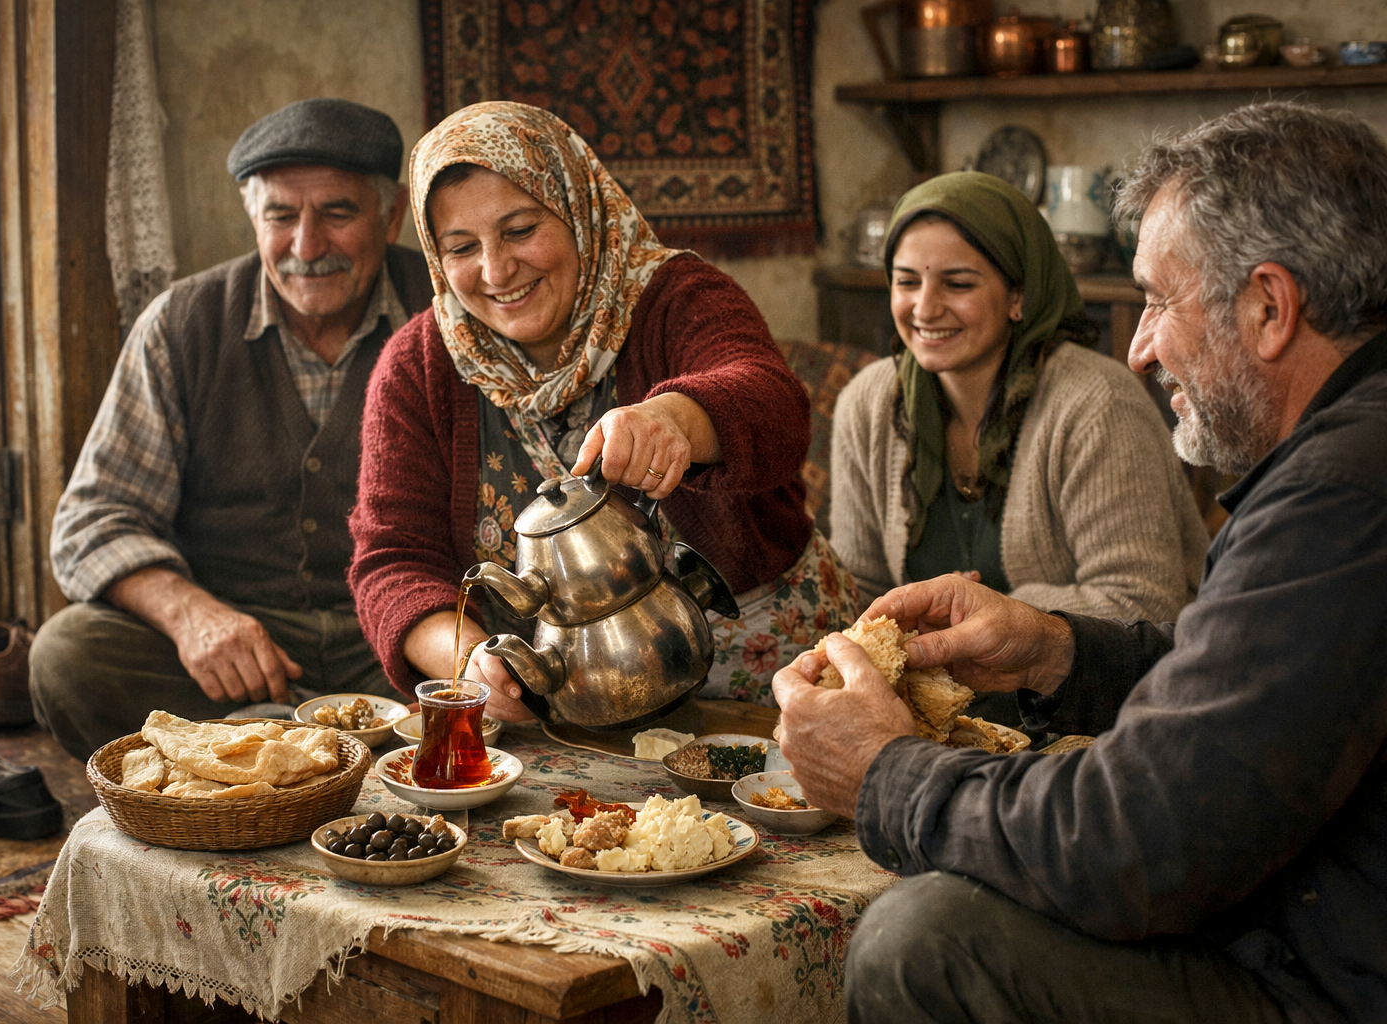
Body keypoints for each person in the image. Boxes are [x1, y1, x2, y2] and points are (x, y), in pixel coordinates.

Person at [774, 101, 1387, 1024]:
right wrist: (1058, 652)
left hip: (1330, 979)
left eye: (1157, 300)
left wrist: (884, 773)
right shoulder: (1345, 452)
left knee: (923, 942)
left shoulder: (1343, 494)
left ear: (1269, 305)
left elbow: (1139, 842)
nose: (1140, 349)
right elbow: (1254, 697)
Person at [349, 101, 859, 721]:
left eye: (520, 230)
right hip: (567, 703)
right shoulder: (418, 367)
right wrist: (473, 660)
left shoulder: (675, 296)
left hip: (771, 681)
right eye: (461, 247)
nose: (496, 269)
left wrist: (674, 420)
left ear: (578, 208)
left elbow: (773, 402)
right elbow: (392, 560)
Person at [30, 99, 434, 761]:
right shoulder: (181, 325)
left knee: (523, 661)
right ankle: (306, 747)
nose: (307, 247)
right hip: (242, 653)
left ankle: (262, 754)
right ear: (253, 217)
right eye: (281, 215)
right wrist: (193, 616)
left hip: (402, 639)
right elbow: (93, 520)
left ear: (390, 217)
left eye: (338, 212)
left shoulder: (447, 310)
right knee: (69, 655)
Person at [829, 172, 1206, 728]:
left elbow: (1146, 609)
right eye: (906, 282)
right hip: (944, 728)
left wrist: (1004, 616)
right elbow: (859, 590)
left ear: (1018, 297)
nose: (925, 308)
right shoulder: (868, 404)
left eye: (957, 284)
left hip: (1100, 720)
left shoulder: (1095, 404)